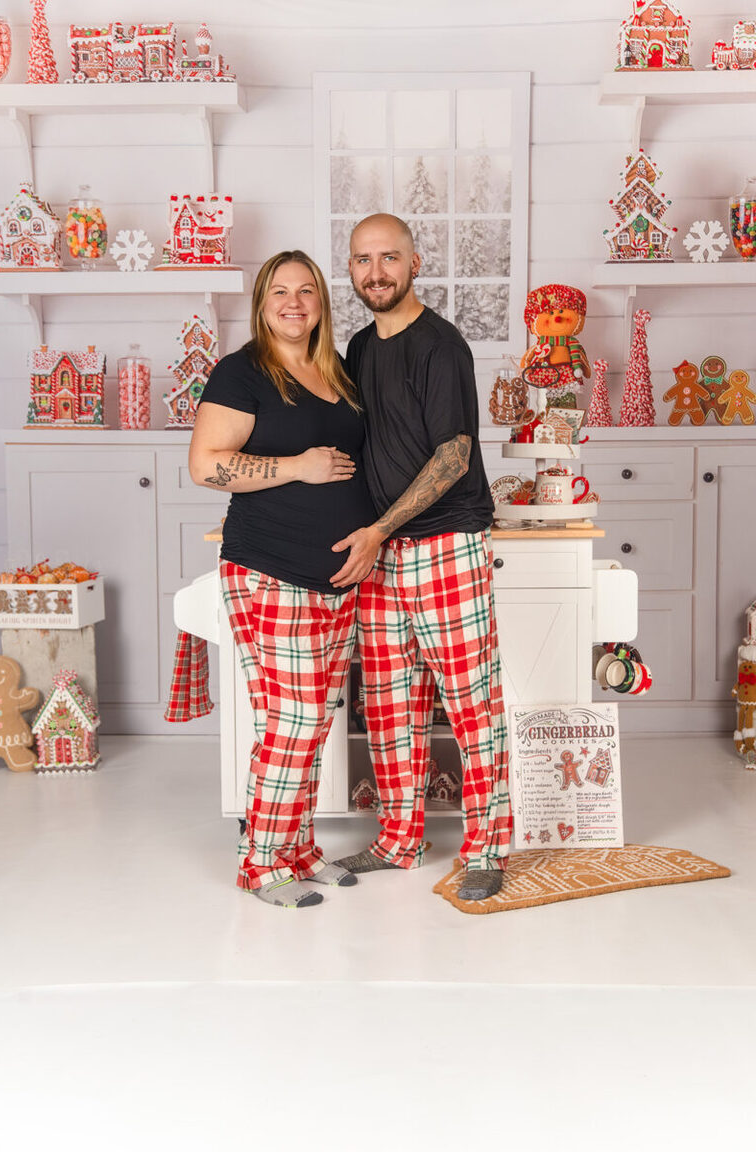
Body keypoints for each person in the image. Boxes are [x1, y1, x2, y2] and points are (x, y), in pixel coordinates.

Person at [330, 213, 513, 902]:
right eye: (361, 259)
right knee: (388, 704)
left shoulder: (443, 345)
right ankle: (399, 839)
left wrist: (381, 528)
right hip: (380, 552)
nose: (374, 272)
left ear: (414, 262)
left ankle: (486, 847)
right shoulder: (357, 346)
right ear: (351, 268)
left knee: (470, 704)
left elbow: (454, 455)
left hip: (445, 543)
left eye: (388, 258)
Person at [189, 250, 375, 909]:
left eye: (306, 291)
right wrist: (296, 467)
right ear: (262, 304)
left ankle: (298, 850)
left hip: (334, 579)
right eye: (279, 293)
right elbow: (205, 465)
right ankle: (261, 863)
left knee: (308, 722)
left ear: (322, 302)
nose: (293, 303)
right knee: (293, 721)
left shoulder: (335, 373)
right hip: (269, 571)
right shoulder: (243, 374)